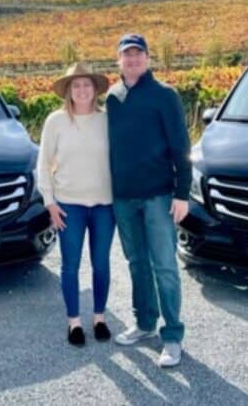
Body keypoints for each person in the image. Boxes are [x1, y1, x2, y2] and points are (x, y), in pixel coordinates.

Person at [106, 33, 191, 368]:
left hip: (158, 196)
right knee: (136, 264)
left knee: (165, 267)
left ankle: (172, 335)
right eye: (127, 55)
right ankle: (144, 324)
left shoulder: (165, 96)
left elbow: (181, 147)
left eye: (138, 54)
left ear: (148, 58)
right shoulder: (112, 98)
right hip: (123, 199)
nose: (133, 59)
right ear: (119, 60)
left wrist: (182, 193)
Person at [37, 62, 115, 347]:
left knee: (102, 264)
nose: (82, 90)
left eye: (86, 85)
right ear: (68, 91)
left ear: (95, 90)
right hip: (69, 205)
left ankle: (99, 318)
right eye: (76, 85)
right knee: (70, 265)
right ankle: (74, 322)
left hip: (105, 205)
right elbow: (43, 165)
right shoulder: (55, 121)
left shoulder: (107, 120)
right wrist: (50, 203)